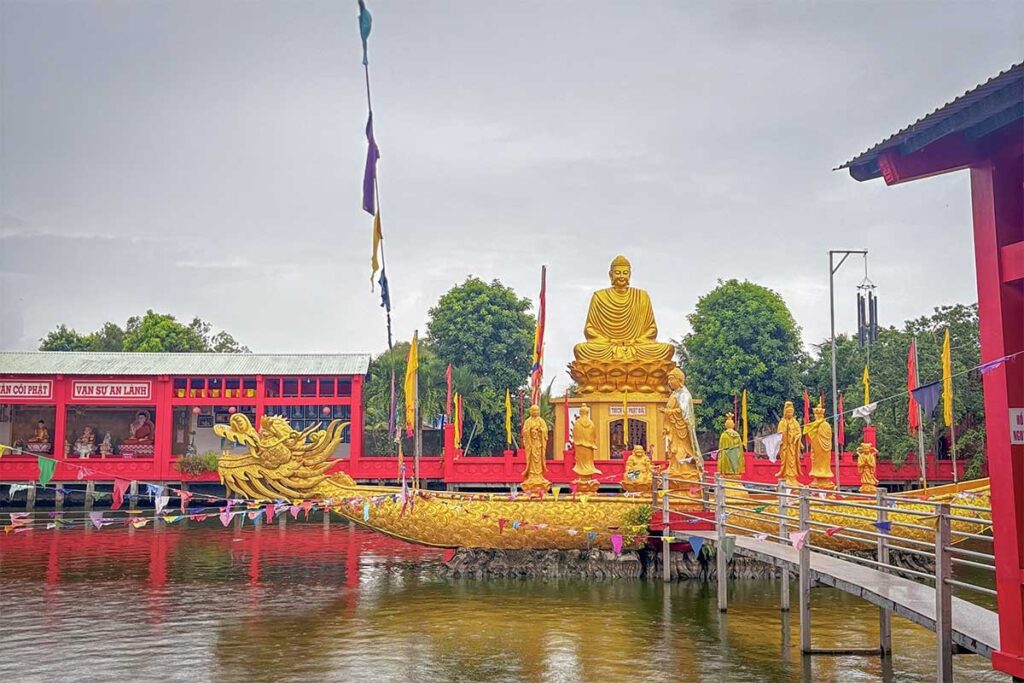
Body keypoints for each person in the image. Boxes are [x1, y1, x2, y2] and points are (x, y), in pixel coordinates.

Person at [662, 367, 702, 486]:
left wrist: (668, 412)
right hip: (673, 427)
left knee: (681, 449)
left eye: (672, 379)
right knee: (673, 449)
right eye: (668, 380)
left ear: (680, 380)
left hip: (681, 428)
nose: (669, 382)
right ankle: (675, 467)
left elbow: (683, 411)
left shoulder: (684, 394)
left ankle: (684, 468)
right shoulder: (674, 394)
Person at [803, 403, 835, 489]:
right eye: (816, 414)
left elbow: (828, 437)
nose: (818, 416)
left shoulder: (826, 425)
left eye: (819, 414)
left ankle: (823, 476)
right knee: (816, 460)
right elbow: (810, 433)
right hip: (816, 447)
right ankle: (817, 476)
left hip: (824, 449)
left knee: (824, 461)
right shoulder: (813, 425)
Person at [521, 404, 550, 495]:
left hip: (539, 444)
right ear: (530, 411)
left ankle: (539, 476)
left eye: (537, 410)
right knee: (532, 459)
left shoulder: (541, 421)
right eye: (533, 411)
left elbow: (545, 431)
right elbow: (524, 432)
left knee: (539, 460)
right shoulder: (527, 421)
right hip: (531, 445)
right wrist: (529, 430)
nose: (535, 412)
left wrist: (540, 430)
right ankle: (532, 476)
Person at [571, 406, 601, 490]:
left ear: (581, 413)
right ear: (587, 413)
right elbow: (594, 435)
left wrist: (579, 441)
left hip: (580, 446)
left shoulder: (577, 422)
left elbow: (574, 434)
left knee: (582, 461)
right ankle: (585, 477)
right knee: (588, 461)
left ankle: (584, 478)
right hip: (588, 446)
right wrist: (590, 442)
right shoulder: (591, 423)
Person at [775, 401, 803, 488]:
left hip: (793, 447)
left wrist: (796, 437)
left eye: (791, 412)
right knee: (786, 461)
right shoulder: (782, 422)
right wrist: (785, 434)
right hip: (786, 447)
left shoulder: (795, 423)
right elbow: (779, 434)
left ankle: (793, 479)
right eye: (788, 412)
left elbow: (799, 432)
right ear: (785, 413)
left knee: (793, 462)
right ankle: (787, 477)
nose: (790, 414)